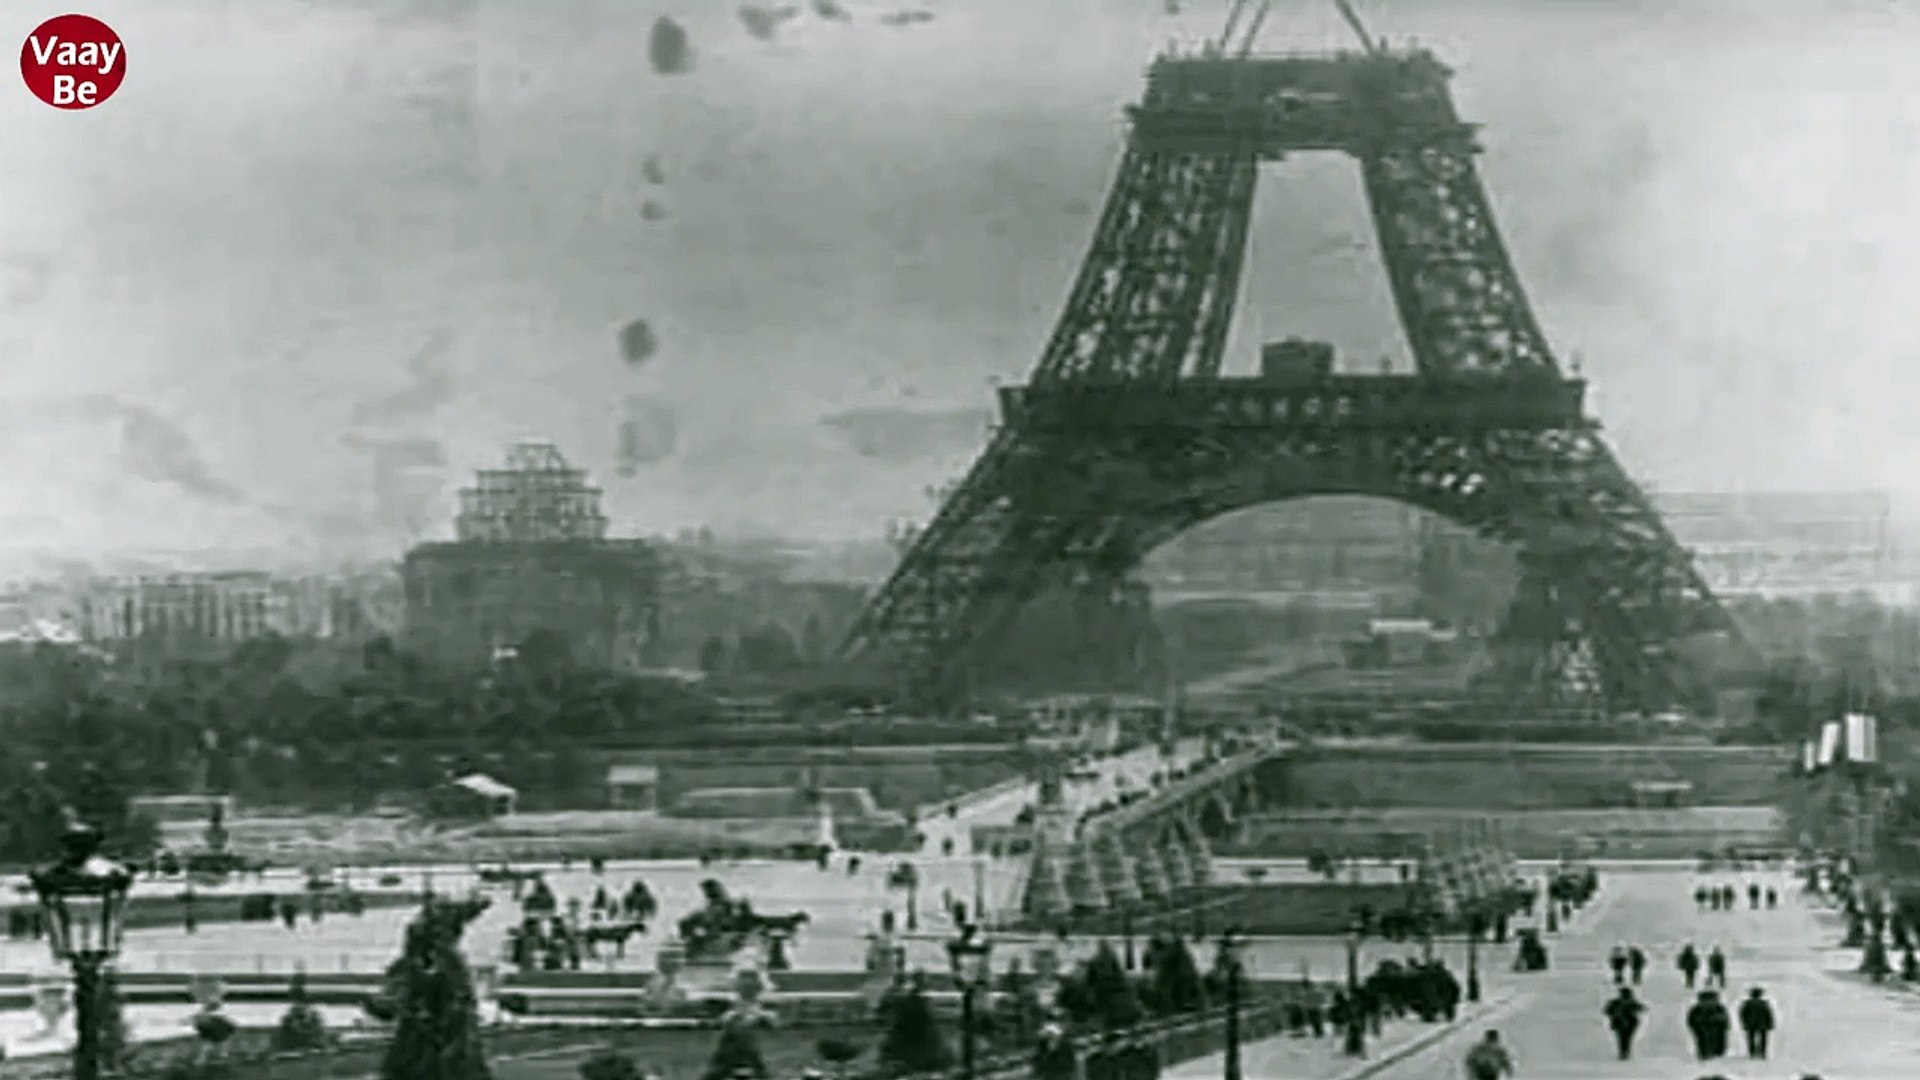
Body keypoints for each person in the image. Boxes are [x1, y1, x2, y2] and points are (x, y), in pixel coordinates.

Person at [1685, 989, 1731, 1060]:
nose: (1708, 1003)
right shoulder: (1718, 1008)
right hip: (1705, 1029)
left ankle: (1710, 1055)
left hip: (1714, 1029)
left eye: (1711, 999)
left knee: (1712, 1044)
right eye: (1706, 1000)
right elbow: (1691, 1021)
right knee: (1705, 1043)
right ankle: (1709, 1055)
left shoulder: (1719, 1009)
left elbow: (1725, 1022)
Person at [1603, 987, 1645, 1060]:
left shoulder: (1617, 1002)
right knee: (1625, 1037)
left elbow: (1607, 1011)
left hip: (1627, 1023)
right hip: (1624, 1023)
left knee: (1624, 1037)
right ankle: (1624, 1052)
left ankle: (1624, 1052)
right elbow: (1607, 1011)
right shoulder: (1619, 1003)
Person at [1738, 986, 1776, 1059]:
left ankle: (1752, 1052)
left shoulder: (1747, 1003)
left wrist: (1744, 1022)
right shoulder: (1764, 1003)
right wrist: (1770, 1023)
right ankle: (1763, 1052)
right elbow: (1768, 1014)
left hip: (1750, 1023)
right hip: (1762, 1024)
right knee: (1763, 1038)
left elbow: (1743, 1014)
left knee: (1751, 1038)